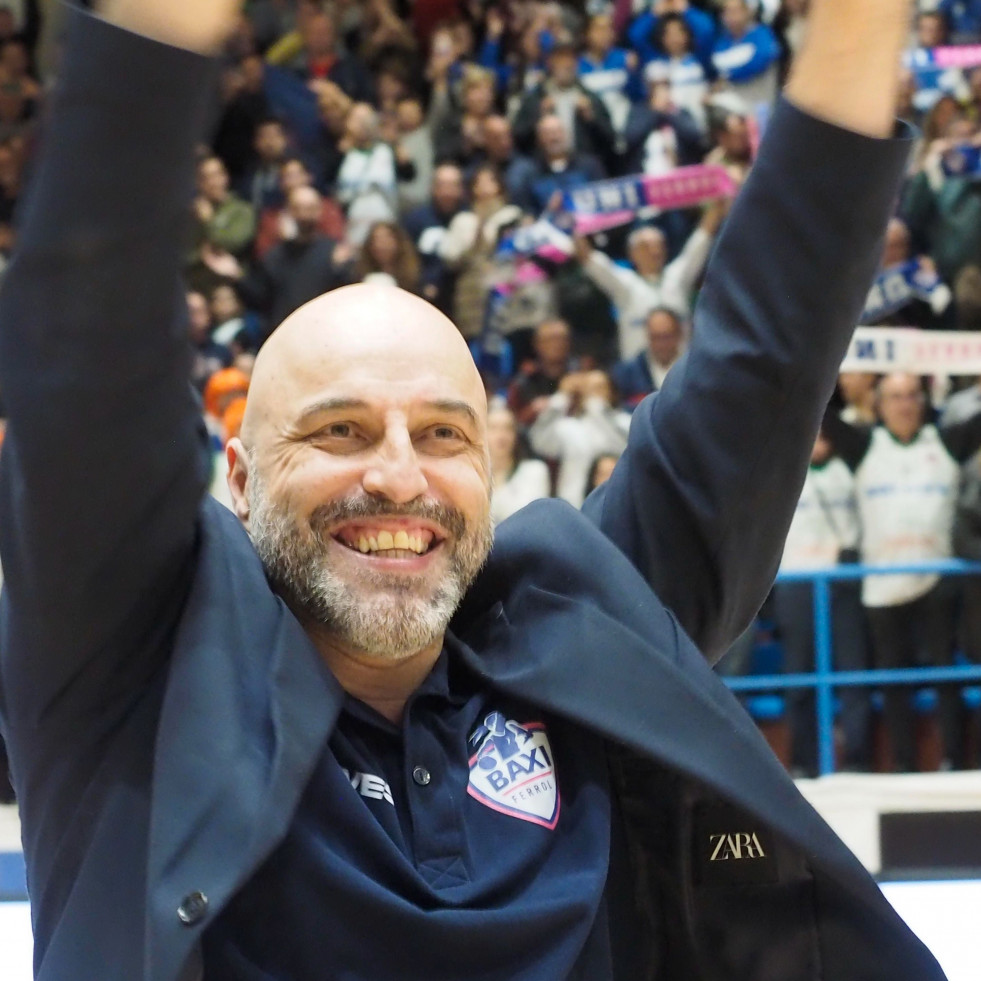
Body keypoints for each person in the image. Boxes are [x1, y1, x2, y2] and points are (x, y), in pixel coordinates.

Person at [0, 2, 949, 980]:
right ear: (238, 479)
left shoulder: (591, 628)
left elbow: (769, 354)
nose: (400, 475)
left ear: (490, 472)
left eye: (444, 434)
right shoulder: (130, 666)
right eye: (341, 430)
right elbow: (85, 335)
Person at [825, 372, 981, 771]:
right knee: (895, 684)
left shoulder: (945, 443)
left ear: (924, 401)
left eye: (912, 395)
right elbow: (819, 415)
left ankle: (952, 762)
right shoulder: (863, 447)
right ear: (879, 404)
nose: (905, 404)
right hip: (883, 587)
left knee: (947, 678)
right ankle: (905, 766)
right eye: (895, 396)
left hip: (938, 581)